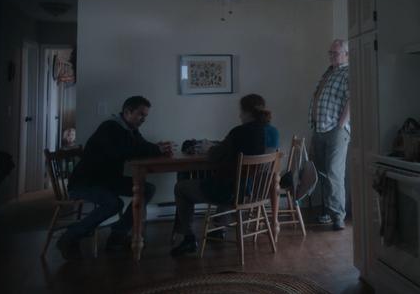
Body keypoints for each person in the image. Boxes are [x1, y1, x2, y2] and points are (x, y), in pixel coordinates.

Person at [58, 96, 168, 260]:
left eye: (145, 116)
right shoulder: (110, 127)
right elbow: (125, 151)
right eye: (141, 115)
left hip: (106, 180)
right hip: (85, 182)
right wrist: (155, 149)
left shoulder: (130, 129)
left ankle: (118, 234)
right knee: (113, 204)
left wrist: (158, 148)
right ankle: (70, 236)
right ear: (127, 112)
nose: (143, 119)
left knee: (147, 189)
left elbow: (141, 146)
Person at [171, 94, 270, 256]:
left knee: (181, 188)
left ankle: (187, 237)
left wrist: (208, 148)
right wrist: (218, 146)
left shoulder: (238, 131)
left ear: (246, 112)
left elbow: (215, 156)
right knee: (227, 179)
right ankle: (218, 228)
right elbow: (231, 149)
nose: (239, 115)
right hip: (247, 190)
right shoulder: (262, 132)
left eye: (241, 111)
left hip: (228, 192)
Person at [308, 39, 350, 230]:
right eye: (330, 52)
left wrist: (341, 125)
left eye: (336, 53)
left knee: (334, 173)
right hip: (319, 129)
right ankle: (327, 212)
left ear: (346, 54)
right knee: (322, 173)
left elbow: (353, 98)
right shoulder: (330, 72)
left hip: (335, 130)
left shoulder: (348, 71)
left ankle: (338, 217)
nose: (332, 56)